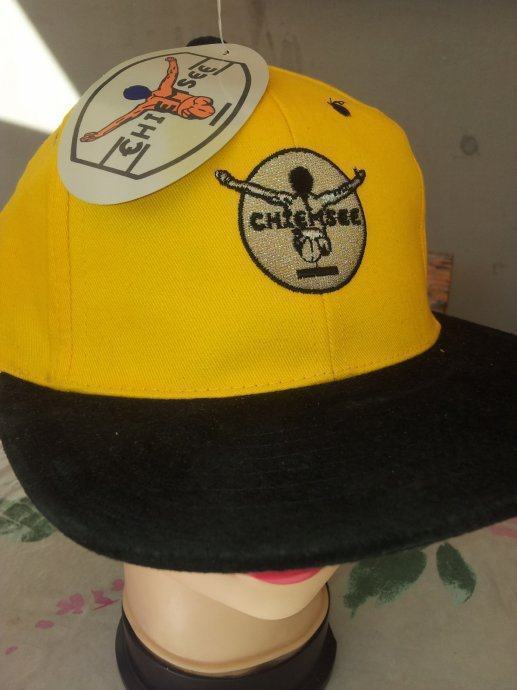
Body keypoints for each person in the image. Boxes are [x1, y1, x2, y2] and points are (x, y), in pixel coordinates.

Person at [215, 165, 366, 264]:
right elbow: (342, 191)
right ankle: (316, 240)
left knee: (316, 247)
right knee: (317, 248)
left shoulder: (290, 200)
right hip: (312, 237)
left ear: (292, 184)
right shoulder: (320, 200)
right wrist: (357, 180)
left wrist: (231, 182)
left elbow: (258, 191)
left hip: (312, 237)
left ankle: (315, 240)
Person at [80, 56, 215, 142]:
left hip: (188, 109)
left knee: (197, 104)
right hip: (191, 106)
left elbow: (123, 119)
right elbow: (172, 73)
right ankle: (196, 105)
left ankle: (195, 105)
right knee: (199, 103)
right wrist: (172, 61)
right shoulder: (163, 89)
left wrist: (99, 134)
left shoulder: (148, 104)